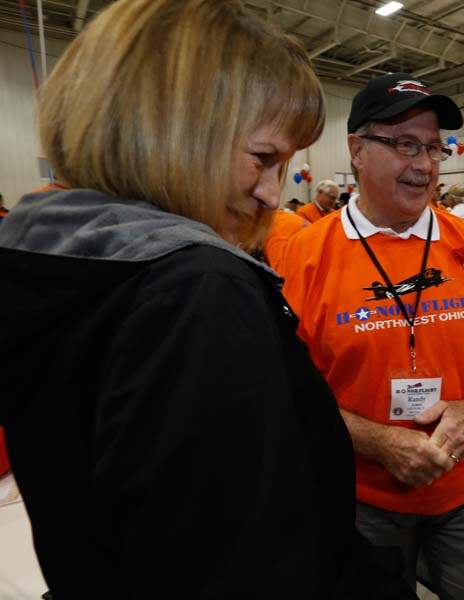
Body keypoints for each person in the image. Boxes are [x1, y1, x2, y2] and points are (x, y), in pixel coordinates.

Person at [0, 2, 416, 599]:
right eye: (263, 158)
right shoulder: (195, 291)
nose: (271, 193)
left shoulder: (52, 257)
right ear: (169, 129)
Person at [278, 72, 464, 600]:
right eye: (404, 145)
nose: (424, 165)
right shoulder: (305, 255)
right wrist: (377, 441)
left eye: (434, 148)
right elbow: (286, 388)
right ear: (357, 150)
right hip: (358, 499)